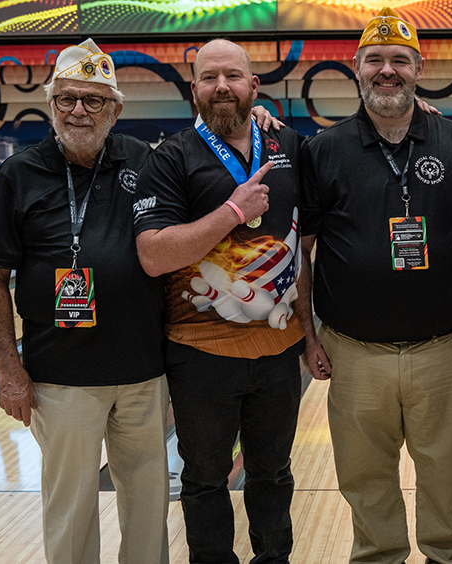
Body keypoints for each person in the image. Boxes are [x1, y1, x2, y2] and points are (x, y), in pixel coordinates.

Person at [296, 7, 452, 564]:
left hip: (442, 350)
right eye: (374, 59)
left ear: (419, 68)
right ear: (355, 68)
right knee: (365, 482)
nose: (387, 70)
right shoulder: (323, 150)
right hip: (353, 353)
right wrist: (309, 335)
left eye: (399, 59)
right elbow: (299, 253)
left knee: (445, 482)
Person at [0, 39, 170, 564]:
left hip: (142, 373)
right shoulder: (19, 174)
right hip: (58, 378)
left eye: (92, 100)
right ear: (51, 105)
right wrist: (9, 368)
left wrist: (262, 121)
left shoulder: (143, 161)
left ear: (115, 108)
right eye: (67, 98)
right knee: (69, 511)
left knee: (148, 506)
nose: (78, 110)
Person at [134, 39, 306, 564]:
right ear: (195, 90)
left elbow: (307, 245)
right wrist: (233, 210)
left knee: (273, 473)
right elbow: (153, 255)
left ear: (256, 87)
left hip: (278, 351)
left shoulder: (290, 146)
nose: (222, 86)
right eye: (210, 77)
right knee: (205, 479)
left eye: (234, 76)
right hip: (200, 353)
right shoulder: (170, 157)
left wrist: (312, 336)